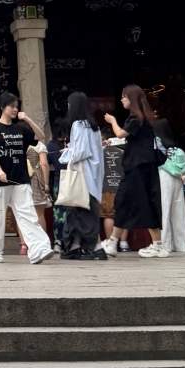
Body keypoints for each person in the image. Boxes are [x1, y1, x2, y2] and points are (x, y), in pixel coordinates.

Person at [99, 84, 169, 259]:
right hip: (147, 167)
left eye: (124, 96)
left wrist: (112, 121)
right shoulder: (145, 118)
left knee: (123, 201)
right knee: (146, 203)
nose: (122, 99)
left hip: (136, 169)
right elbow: (133, 141)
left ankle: (114, 242)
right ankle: (155, 244)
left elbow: (122, 134)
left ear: (132, 98)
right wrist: (113, 142)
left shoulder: (135, 118)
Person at [0, 93, 54, 264]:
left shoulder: (21, 129)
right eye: (11, 106)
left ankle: (39, 249)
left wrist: (27, 119)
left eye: (17, 106)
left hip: (21, 180)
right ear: (3, 107)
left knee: (28, 216)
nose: (15, 109)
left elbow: (40, 137)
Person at [57, 91, 105, 262]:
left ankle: (96, 248)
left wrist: (66, 154)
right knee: (81, 211)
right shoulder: (94, 127)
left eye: (69, 104)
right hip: (92, 174)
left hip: (81, 174)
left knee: (81, 212)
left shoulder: (78, 125)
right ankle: (75, 247)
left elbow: (81, 151)